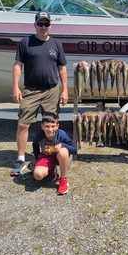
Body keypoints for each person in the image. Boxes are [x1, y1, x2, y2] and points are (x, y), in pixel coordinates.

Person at [11, 11, 68, 176]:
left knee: (50, 128)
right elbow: (17, 65)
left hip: (51, 90)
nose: (43, 27)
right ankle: (21, 159)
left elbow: (62, 68)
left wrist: (64, 90)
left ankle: (50, 159)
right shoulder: (26, 42)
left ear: (50, 25)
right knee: (23, 124)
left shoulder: (56, 44)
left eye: (46, 24)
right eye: (40, 24)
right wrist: (15, 87)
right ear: (35, 25)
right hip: (31, 90)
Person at [32, 113, 77, 194]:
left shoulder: (62, 134)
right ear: (42, 126)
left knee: (63, 151)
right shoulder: (39, 135)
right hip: (46, 157)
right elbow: (35, 146)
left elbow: (74, 149)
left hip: (59, 157)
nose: (50, 129)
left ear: (57, 126)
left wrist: (62, 145)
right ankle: (51, 170)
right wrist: (37, 160)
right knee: (38, 175)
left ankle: (63, 180)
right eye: (47, 126)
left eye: (53, 126)